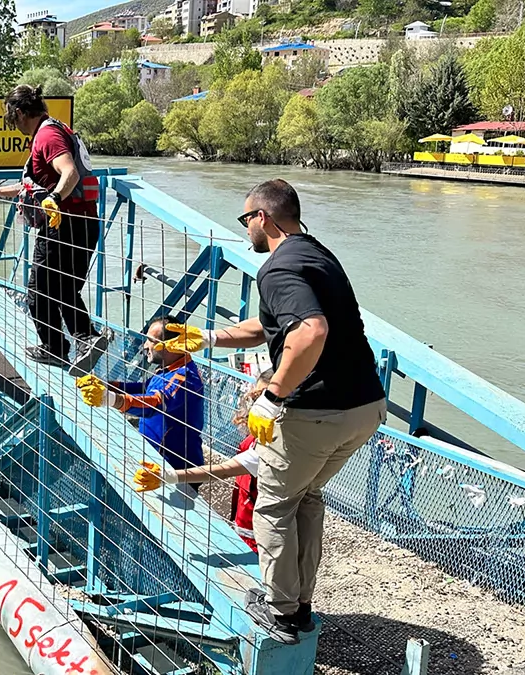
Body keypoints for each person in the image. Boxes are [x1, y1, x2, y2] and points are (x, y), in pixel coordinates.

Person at [158, 179, 387, 644]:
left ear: (263, 216)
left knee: (275, 507)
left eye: (246, 220)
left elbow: (309, 332)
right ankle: (300, 604)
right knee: (306, 497)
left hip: (315, 411)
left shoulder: (277, 268)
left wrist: (274, 394)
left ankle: (281, 612)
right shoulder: (317, 254)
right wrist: (207, 337)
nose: (245, 230)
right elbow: (269, 328)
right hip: (364, 407)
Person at [0, 85, 109, 371]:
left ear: (20, 113)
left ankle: (63, 345)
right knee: (63, 288)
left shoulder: (46, 136)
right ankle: (81, 340)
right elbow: (33, 186)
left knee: (39, 291)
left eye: (12, 119)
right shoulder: (56, 129)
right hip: (83, 222)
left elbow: (68, 171)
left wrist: (55, 199)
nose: (14, 126)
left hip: (62, 223)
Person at [134, 369, 278, 554]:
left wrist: (168, 476)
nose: (255, 404)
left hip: (261, 537)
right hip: (246, 524)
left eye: (263, 397)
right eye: (255, 396)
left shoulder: (274, 445)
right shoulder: (257, 437)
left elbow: (223, 470)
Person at [75, 317, 205, 473]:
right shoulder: (170, 368)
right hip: (155, 457)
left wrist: (108, 398)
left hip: (173, 467)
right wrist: (106, 385)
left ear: (172, 345)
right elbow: (146, 388)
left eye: (151, 340)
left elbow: (155, 403)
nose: (145, 346)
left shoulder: (184, 377)